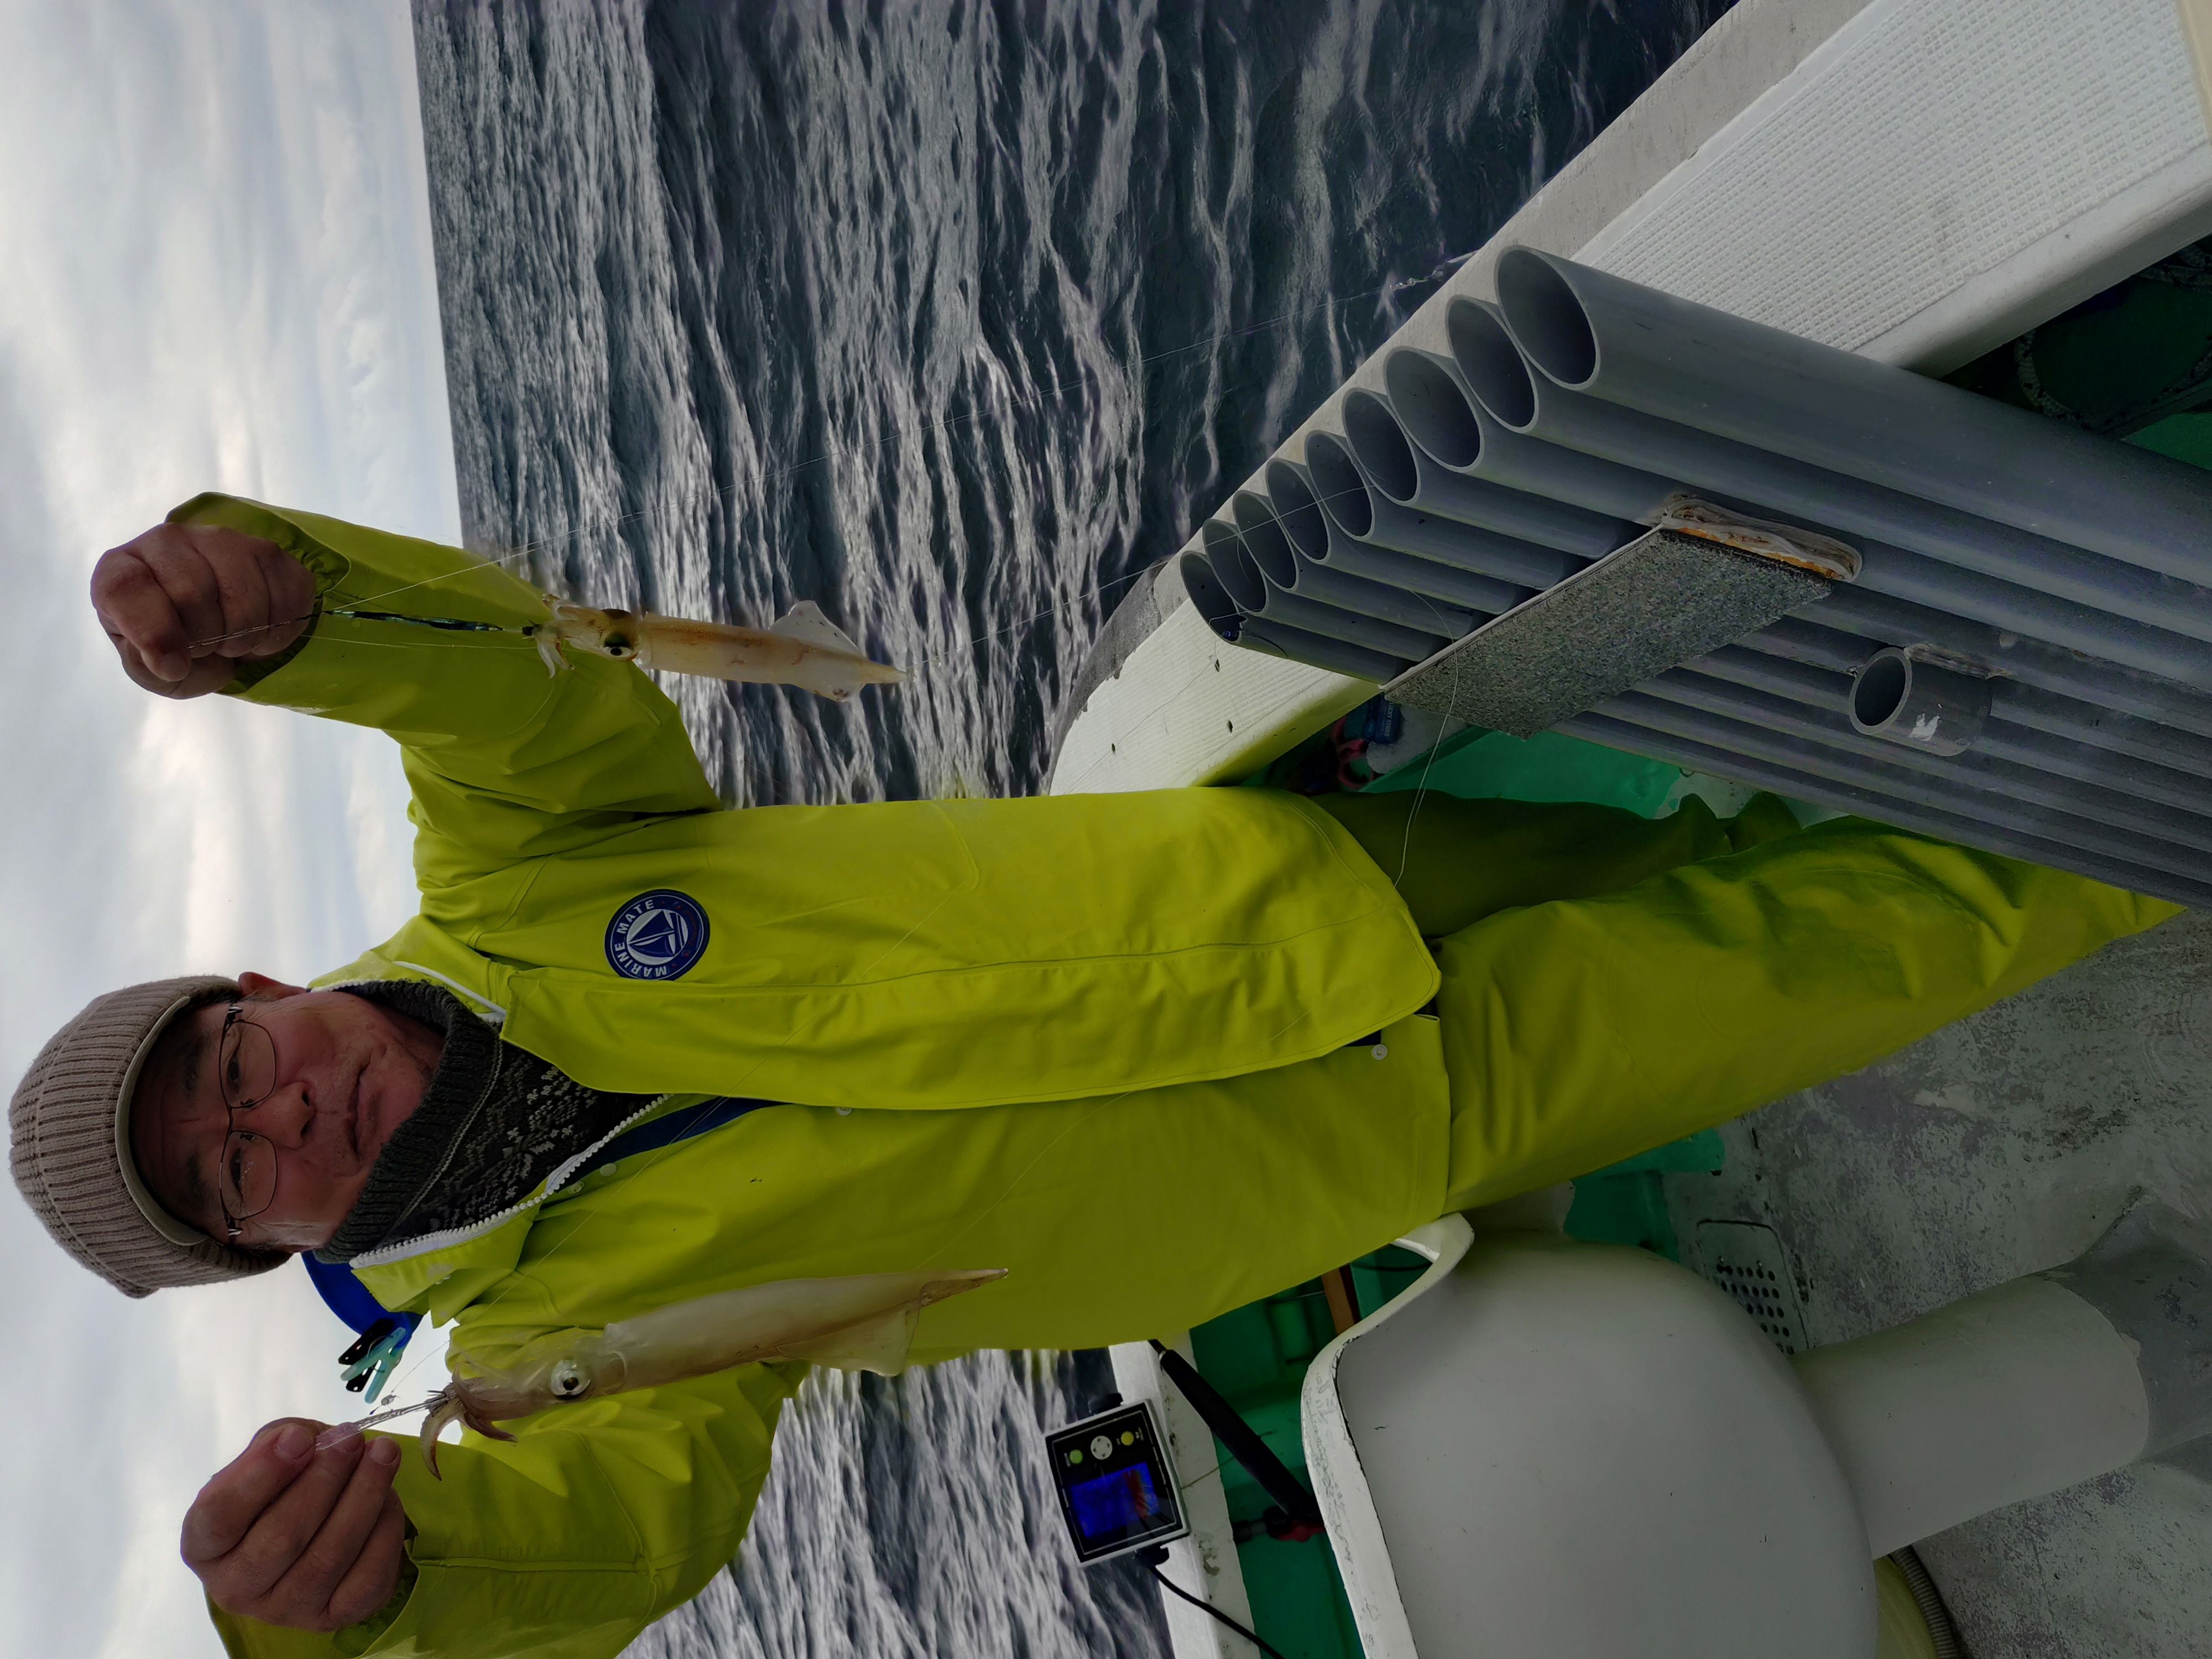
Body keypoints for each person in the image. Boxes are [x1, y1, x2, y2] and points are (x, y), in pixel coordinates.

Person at [9, 494, 2174, 1659]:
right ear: (268, 1250)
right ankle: (2169, 789)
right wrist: (402, 1587)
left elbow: (505, 689)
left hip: (1293, 885)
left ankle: (2109, 705)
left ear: (258, 985)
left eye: (231, 1067)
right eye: (232, 1175)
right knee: (1898, 940)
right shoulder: (541, 1359)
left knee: (1734, 839)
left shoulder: (522, 870)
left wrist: (303, 616)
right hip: (1367, 1135)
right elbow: (621, 1526)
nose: (274, 1116)